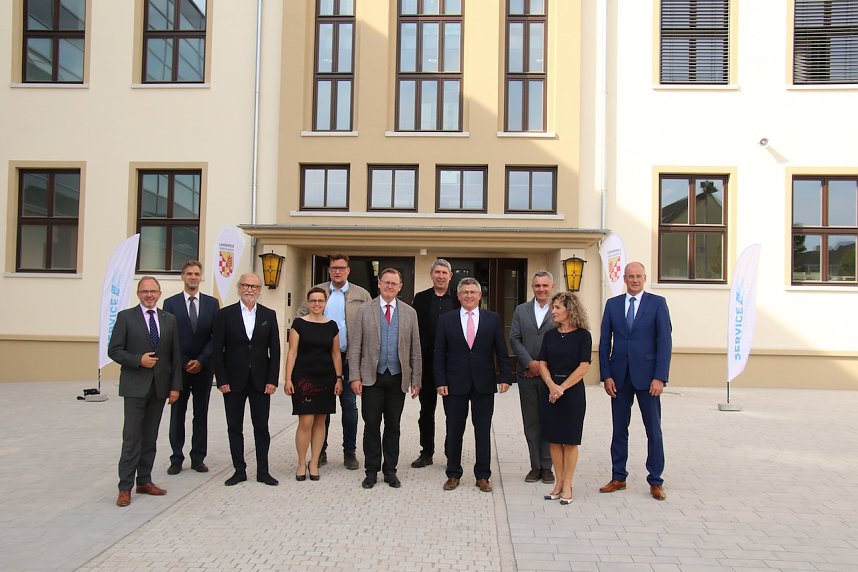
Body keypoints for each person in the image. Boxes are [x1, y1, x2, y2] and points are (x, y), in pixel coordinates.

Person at [598, 261, 672, 501]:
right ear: (624, 279)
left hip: (648, 378)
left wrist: (660, 377)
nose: (635, 280)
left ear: (645, 278)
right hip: (619, 378)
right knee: (619, 429)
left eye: (639, 276)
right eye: (630, 276)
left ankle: (656, 480)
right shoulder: (613, 305)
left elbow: (665, 343)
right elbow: (604, 342)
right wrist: (606, 375)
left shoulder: (657, 303)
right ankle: (618, 476)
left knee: (653, 430)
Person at [108, 276, 182, 507]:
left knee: (150, 437)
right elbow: (114, 350)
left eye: (153, 291)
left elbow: (175, 355)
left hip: (159, 388)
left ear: (159, 294)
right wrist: (137, 360)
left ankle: (145, 480)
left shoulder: (169, 319)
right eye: (144, 291)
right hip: (135, 387)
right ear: (138, 294)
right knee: (132, 439)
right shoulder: (126, 317)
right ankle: (124, 487)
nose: (149, 295)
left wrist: (175, 386)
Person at [434, 277, 512, 493]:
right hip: (454, 385)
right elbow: (439, 353)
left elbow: (501, 350)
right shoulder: (446, 320)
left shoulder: (492, 319)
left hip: (483, 384)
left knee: (483, 430)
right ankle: (453, 473)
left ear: (480, 296)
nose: (469, 295)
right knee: (454, 429)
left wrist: (505, 376)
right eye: (465, 292)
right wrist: (440, 381)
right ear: (458, 296)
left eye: (473, 292)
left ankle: (483, 476)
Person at [349, 269, 422, 489]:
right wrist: (354, 377)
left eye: (394, 283)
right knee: (371, 425)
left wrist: (416, 380)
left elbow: (415, 349)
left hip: (398, 378)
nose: (390, 286)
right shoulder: (364, 310)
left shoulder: (410, 313)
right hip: (371, 378)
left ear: (400, 287)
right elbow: (355, 346)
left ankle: (390, 470)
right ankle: (371, 471)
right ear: (379, 284)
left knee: (393, 426)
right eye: (386, 282)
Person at [296, 254, 371, 470]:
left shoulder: (361, 294)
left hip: (349, 358)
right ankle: (320, 452)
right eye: (333, 268)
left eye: (341, 268)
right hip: (321, 360)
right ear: (329, 270)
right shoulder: (318, 292)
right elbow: (300, 318)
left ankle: (350, 452)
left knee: (349, 406)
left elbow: (370, 324)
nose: (337, 271)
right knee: (322, 407)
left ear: (348, 270)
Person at [212, 273, 281, 487]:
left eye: (254, 286)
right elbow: (217, 349)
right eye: (245, 285)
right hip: (233, 381)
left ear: (259, 290)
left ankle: (263, 471)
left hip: (260, 381)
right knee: (234, 427)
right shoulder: (225, 314)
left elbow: (275, 350)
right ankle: (239, 470)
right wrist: (221, 379)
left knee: (261, 427)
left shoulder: (269, 314)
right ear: (239, 288)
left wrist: (272, 380)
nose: (250, 290)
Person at [163, 261, 219, 475]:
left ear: (201, 277)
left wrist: (201, 360)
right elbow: (169, 336)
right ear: (182, 276)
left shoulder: (211, 303)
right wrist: (185, 360)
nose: (193, 277)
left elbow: (215, 335)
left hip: (203, 368)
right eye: (189, 274)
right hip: (179, 368)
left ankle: (198, 457)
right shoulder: (171, 303)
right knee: (177, 414)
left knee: (201, 413)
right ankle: (176, 458)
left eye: (196, 274)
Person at [537, 291, 592, 505]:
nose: (553, 311)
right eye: (553, 307)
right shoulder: (550, 335)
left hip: (572, 392)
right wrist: (551, 385)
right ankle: (558, 483)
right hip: (550, 391)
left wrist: (562, 388)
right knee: (554, 440)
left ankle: (568, 484)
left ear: (570, 309)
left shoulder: (583, 336)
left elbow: (584, 366)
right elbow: (542, 362)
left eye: (557, 307)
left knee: (569, 440)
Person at [284, 287, 344, 481]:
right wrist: (287, 379)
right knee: (306, 422)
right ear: (308, 303)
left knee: (320, 421)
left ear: (325, 303)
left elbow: (336, 354)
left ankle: (314, 462)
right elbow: (292, 352)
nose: (317, 304)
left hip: (326, 378)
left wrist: (339, 378)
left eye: (320, 301)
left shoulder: (332, 326)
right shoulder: (299, 324)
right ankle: (302, 462)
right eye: (313, 301)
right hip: (303, 378)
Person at [410, 258, 459, 469]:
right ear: (431, 275)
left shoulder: (458, 298)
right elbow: (414, 332)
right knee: (426, 412)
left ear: (450, 276)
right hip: (427, 363)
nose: (440, 276)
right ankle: (426, 452)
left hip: (452, 365)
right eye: (437, 272)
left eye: (444, 272)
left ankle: (451, 454)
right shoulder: (420, 299)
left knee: (452, 413)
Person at [509, 270, 556, 485]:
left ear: (552, 287)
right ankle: (535, 466)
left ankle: (547, 467)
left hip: (551, 377)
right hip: (526, 375)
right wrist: (530, 363)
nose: (541, 289)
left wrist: (543, 367)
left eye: (545, 285)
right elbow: (514, 338)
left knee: (549, 421)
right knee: (531, 422)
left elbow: (563, 339)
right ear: (532, 287)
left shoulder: (559, 309)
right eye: (537, 286)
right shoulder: (521, 310)